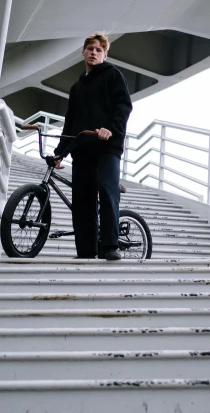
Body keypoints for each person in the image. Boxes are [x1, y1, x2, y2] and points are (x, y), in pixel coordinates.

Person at [53, 32, 132, 261]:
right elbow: (70, 122)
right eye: (90, 49)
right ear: (83, 52)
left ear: (105, 55)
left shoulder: (113, 75)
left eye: (99, 50)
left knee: (107, 191)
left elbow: (123, 107)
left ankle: (110, 246)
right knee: (82, 200)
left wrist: (112, 130)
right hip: (82, 149)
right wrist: (60, 152)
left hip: (107, 145)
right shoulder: (77, 87)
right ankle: (86, 251)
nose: (94, 53)